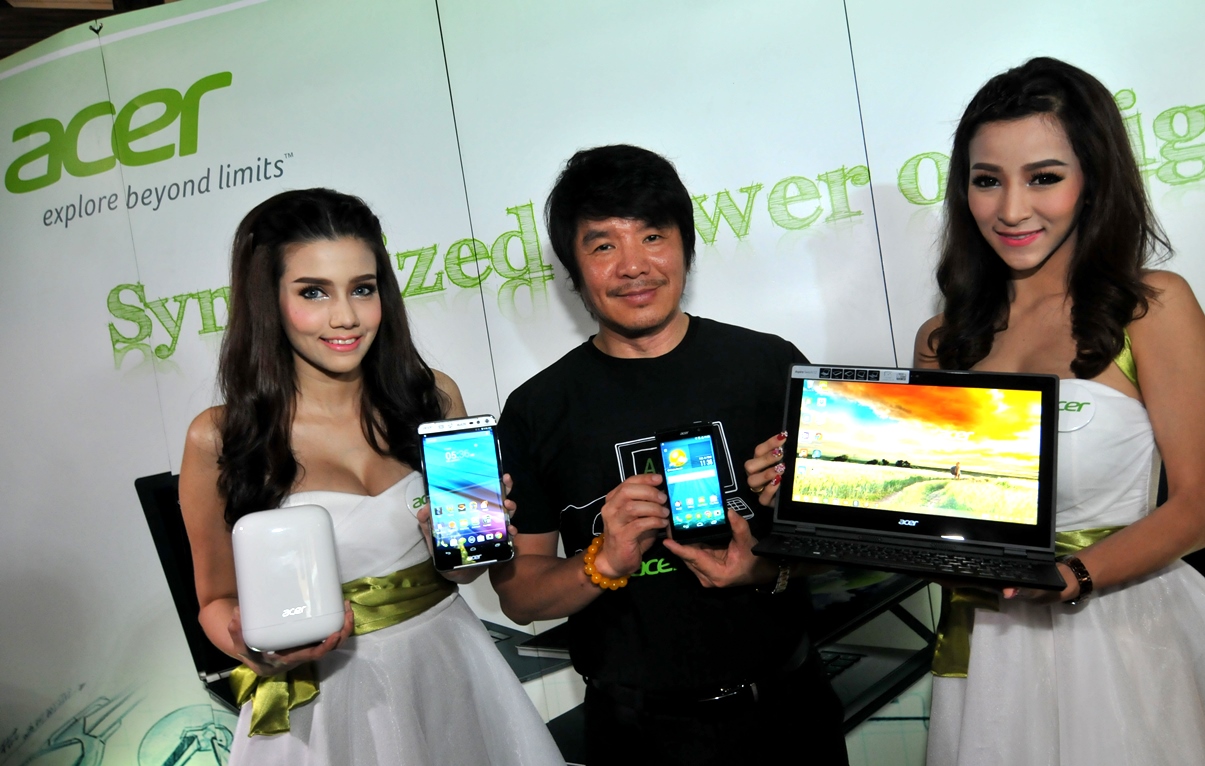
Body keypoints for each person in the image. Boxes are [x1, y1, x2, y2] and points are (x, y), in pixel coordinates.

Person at [489, 145, 848, 766]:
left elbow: (845, 542)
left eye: (653, 236)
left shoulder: (769, 366)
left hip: (791, 715)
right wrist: (603, 562)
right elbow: (520, 596)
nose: (634, 266)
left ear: (686, 246)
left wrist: (764, 566)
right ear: (573, 269)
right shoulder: (537, 409)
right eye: (603, 245)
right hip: (636, 737)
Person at [178, 188, 562, 765]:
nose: (346, 317)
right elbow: (215, 598)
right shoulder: (219, 436)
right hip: (326, 704)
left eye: (362, 288)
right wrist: (253, 649)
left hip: (451, 666)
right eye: (313, 292)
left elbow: (464, 575)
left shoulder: (432, 397)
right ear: (268, 300)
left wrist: (461, 547)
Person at [910, 58, 1205, 765]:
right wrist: (818, 488)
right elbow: (931, 515)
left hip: (1121, 639)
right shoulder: (942, 338)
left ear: (1092, 180)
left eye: (1043, 177)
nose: (1011, 210)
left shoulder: (1151, 308)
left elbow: (1199, 503)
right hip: (987, 651)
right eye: (987, 180)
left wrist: (1073, 576)